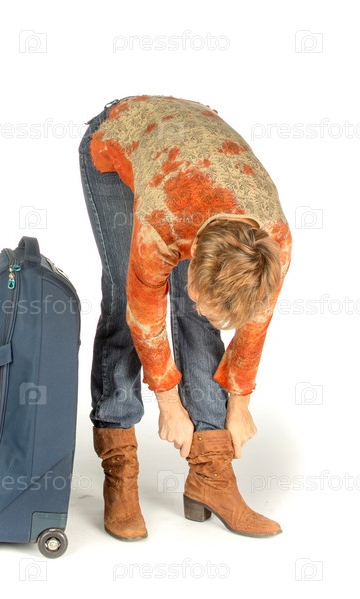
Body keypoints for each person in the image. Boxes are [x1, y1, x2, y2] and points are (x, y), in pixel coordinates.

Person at [78, 95, 292, 541]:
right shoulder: (162, 224)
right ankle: (120, 467)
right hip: (120, 138)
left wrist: (240, 405)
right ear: (192, 258)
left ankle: (212, 473)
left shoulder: (271, 246)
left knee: (197, 319)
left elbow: (253, 331)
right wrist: (169, 405)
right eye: (196, 291)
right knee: (123, 301)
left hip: (198, 155)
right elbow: (145, 317)